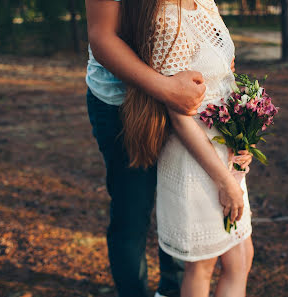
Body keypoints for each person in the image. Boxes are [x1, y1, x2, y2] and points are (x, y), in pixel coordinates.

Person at [120, 1, 254, 297]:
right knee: (202, 265)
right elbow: (180, 117)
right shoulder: (167, 19)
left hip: (225, 147)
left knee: (241, 256)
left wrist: (246, 135)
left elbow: (226, 76)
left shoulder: (204, 2)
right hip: (196, 158)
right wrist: (223, 180)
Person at [85, 1, 207, 296]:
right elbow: (102, 37)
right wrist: (167, 90)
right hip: (120, 104)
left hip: (183, 101)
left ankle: (172, 290)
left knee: (181, 203)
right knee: (132, 212)